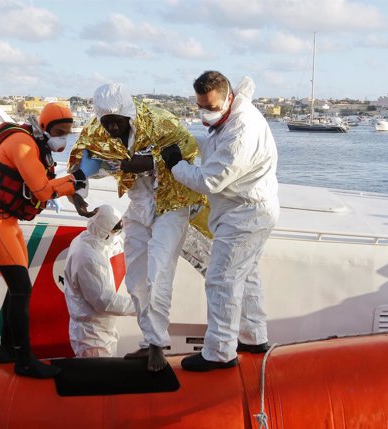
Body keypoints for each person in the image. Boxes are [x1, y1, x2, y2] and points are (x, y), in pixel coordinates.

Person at [67, 83, 204, 372]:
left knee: (158, 274)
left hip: (171, 203)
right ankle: (147, 342)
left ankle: (156, 345)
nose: (113, 128)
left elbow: (189, 150)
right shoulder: (96, 130)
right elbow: (79, 167)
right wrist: (77, 195)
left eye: (118, 122)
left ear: (129, 115)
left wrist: (145, 163)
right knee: (136, 279)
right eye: (108, 123)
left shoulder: (159, 120)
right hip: (139, 205)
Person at [161, 71, 279, 372]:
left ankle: (219, 352)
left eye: (211, 107)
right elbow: (215, 145)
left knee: (221, 280)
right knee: (246, 275)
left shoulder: (242, 129)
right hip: (249, 209)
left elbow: (210, 180)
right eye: (201, 106)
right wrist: (189, 143)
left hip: (244, 213)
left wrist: (177, 165)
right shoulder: (230, 117)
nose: (206, 112)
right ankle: (253, 336)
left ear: (228, 98)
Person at [0, 102, 87, 378]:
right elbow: (43, 191)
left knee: (19, 287)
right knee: (21, 288)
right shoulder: (22, 144)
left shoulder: (33, 143)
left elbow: (45, 186)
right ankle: (24, 360)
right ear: (43, 128)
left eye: (67, 133)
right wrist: (76, 180)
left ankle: (9, 351)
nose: (63, 138)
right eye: (59, 132)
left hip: (6, 220)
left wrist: (73, 183)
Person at [64, 204, 135, 357]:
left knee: (104, 376)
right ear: (106, 231)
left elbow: (112, 245)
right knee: (98, 378)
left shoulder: (88, 238)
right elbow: (105, 302)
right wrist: (141, 305)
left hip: (100, 329)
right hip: (92, 336)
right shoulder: (87, 258)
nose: (118, 233)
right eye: (117, 230)